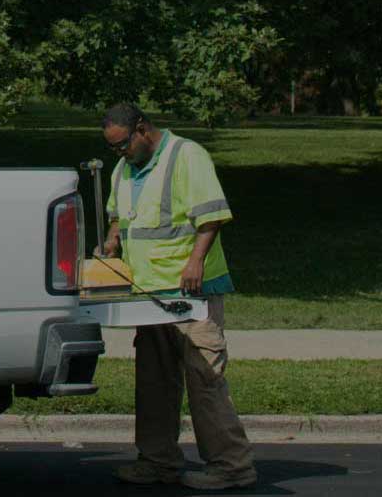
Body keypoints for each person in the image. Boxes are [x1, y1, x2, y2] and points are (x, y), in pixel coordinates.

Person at [100, 104, 256, 490]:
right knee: (154, 382)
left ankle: (231, 467)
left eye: (123, 144)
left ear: (142, 129)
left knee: (205, 379)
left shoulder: (187, 155)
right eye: (114, 148)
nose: (119, 153)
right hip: (147, 295)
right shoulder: (124, 168)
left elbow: (212, 216)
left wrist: (195, 262)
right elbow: (118, 213)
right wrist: (113, 239)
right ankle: (158, 461)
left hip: (191, 293)